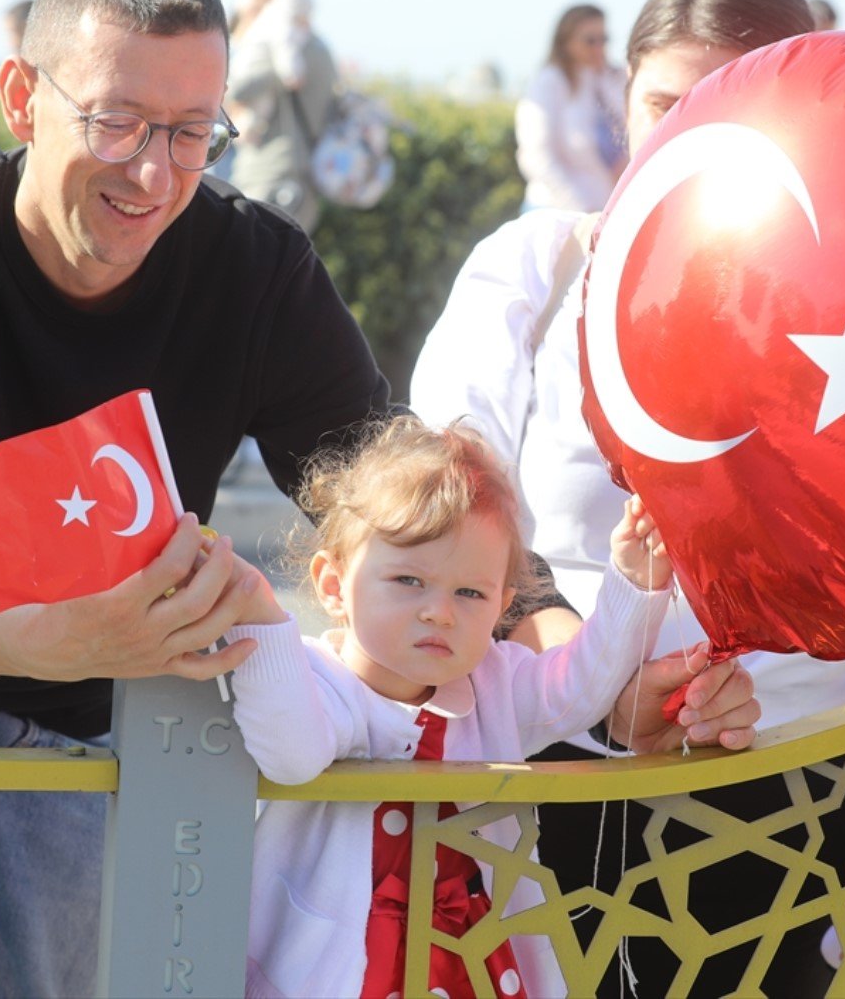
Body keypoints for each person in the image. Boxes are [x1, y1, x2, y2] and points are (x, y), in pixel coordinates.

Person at [0, 0, 758, 997]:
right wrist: (35, 631)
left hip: (104, 676)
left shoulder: (251, 265)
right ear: (20, 97)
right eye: (116, 121)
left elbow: (407, 485)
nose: (153, 172)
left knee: (45, 976)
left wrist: (596, 688)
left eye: (192, 133)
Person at [413, 0, 845, 998]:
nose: (691, 133)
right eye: (665, 100)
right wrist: (599, 688)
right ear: (621, 102)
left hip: (805, 797)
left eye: (733, 99)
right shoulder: (530, 268)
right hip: (551, 781)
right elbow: (459, 498)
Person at [231, 415, 678, 997]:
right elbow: (292, 756)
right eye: (409, 581)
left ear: (502, 606)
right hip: (338, 969)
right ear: (334, 585)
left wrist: (633, 582)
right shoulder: (318, 676)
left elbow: (579, 689)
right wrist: (262, 620)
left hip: (472, 960)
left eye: (470, 592)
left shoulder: (495, 683)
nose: (440, 612)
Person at [224, 0, 336, 232]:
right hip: (308, 171)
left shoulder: (276, 48)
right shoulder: (321, 50)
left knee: (253, 255)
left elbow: (236, 88)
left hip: (269, 169)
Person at [514, 3, 626, 213]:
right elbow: (536, 156)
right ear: (566, 41)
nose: (598, 47)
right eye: (590, 41)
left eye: (604, 39)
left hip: (602, 212)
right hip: (554, 212)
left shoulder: (610, 80)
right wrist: (579, 208)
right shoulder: (549, 82)